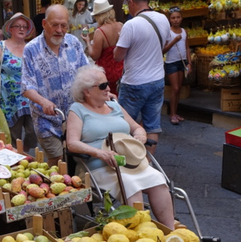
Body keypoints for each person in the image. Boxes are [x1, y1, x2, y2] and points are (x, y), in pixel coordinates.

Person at [66, 65, 174, 226]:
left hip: (130, 163)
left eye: (108, 83)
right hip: (100, 166)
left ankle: (170, 229)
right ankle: (140, 233)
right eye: (102, 85)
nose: (108, 88)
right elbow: (72, 143)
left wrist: (140, 136)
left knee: (157, 179)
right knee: (130, 184)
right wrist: (99, 153)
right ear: (87, 91)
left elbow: (137, 127)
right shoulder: (78, 110)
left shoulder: (114, 106)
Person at [21, 5, 90, 166]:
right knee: (57, 158)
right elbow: (26, 86)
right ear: (44, 24)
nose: (59, 30)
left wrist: (102, 89)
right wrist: (43, 102)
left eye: (64, 25)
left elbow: (86, 73)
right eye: (55, 25)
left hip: (74, 115)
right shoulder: (31, 49)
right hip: (47, 119)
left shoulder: (74, 43)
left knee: (77, 157)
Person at [113, 0, 171, 154]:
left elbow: (118, 56)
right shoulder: (163, 19)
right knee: (152, 125)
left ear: (131, 2)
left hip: (134, 83)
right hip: (157, 80)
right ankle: (148, 163)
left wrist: (120, 40)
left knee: (124, 125)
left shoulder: (131, 25)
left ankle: (127, 162)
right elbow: (164, 43)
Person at [0, 13, 37, 150]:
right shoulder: (1, 47)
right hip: (9, 100)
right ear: (11, 29)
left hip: (29, 99)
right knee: (13, 134)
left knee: (34, 132)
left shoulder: (31, 48)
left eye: (24, 27)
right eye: (18, 26)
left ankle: (23, 151)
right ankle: (15, 158)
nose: (21, 29)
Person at [82, 0, 123, 96]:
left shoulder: (100, 32)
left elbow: (94, 55)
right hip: (121, 70)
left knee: (107, 100)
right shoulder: (121, 25)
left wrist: (87, 41)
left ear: (98, 16)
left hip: (106, 72)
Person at [163, 7, 190, 125]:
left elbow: (187, 48)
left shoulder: (184, 31)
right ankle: (172, 114)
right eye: (173, 18)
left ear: (182, 18)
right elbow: (163, 50)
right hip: (171, 63)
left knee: (179, 88)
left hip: (182, 62)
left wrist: (190, 62)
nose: (176, 20)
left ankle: (175, 112)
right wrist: (174, 41)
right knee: (175, 88)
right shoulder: (167, 32)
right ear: (169, 19)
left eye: (178, 17)